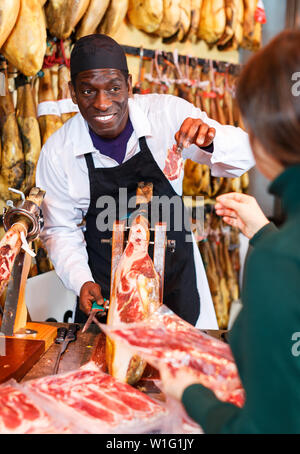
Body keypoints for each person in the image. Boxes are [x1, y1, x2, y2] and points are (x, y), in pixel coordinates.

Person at [36, 34, 254, 329]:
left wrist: (212, 140)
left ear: (129, 83)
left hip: (176, 289)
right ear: (72, 92)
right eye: (88, 91)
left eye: (114, 88)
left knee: (181, 372)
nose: (102, 103)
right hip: (108, 301)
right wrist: (81, 280)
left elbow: (245, 155)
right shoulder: (58, 152)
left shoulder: (168, 115)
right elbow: (60, 229)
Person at [172, 30, 300, 433]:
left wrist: (192, 395)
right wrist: (262, 232)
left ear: (262, 136)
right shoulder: (279, 251)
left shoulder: (277, 261)